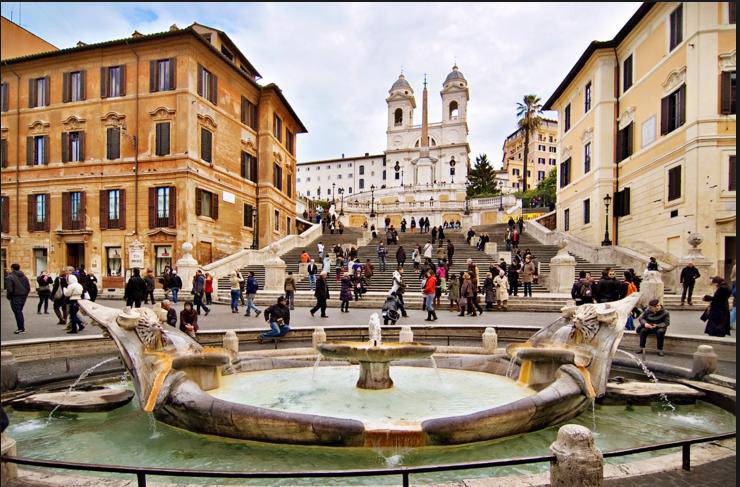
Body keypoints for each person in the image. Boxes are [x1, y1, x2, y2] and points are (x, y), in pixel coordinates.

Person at [5, 263, 31, 334]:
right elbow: (28, 288)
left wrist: (9, 297)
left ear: (12, 268)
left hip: (15, 296)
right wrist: (25, 294)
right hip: (23, 296)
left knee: (18, 312)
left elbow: (9, 290)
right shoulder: (24, 277)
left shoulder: (9, 277)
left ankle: (21, 329)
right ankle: (21, 328)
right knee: (19, 311)